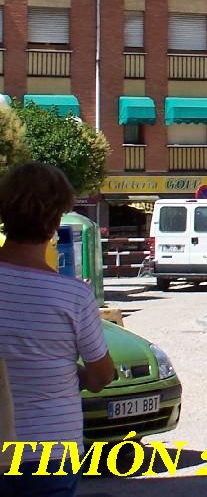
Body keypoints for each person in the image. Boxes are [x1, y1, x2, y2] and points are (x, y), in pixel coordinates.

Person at [0, 163, 115, 497]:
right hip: (49, 451)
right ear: (55, 220)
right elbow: (101, 376)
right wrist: (67, 369)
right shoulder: (74, 296)